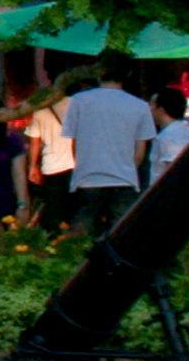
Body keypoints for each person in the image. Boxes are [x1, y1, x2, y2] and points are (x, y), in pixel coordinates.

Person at [55, 70, 159, 239]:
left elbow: (73, 143)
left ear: (99, 74)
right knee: (121, 238)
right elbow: (140, 151)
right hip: (124, 178)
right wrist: (129, 168)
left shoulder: (79, 101)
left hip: (88, 176)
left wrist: (81, 164)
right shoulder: (139, 105)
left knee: (81, 237)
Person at [23, 81, 79, 225]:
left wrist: (32, 166)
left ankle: (53, 238)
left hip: (52, 165)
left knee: (53, 209)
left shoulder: (40, 109)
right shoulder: (76, 104)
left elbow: (35, 141)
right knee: (73, 209)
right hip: (76, 164)